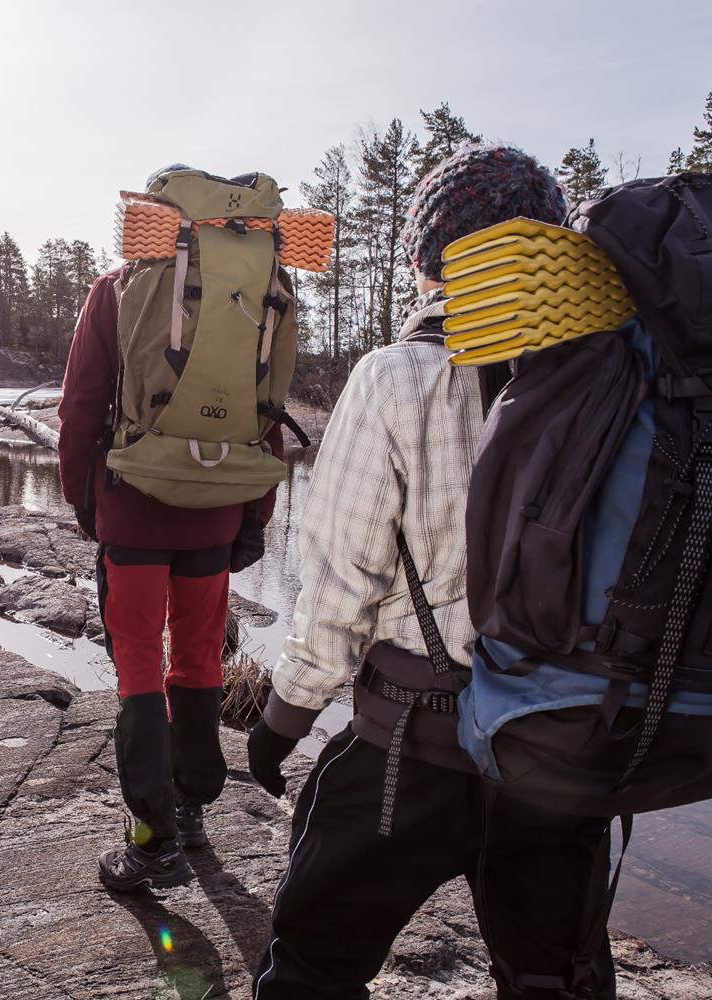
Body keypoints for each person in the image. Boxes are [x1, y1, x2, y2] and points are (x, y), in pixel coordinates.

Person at [245, 145, 618, 999]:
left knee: (311, 970)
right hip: (562, 753)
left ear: (424, 262)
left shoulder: (396, 377)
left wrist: (285, 715)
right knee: (553, 980)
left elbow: (342, 581)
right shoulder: (611, 376)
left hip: (411, 746)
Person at [59, 166, 286, 891]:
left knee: (138, 673)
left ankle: (152, 841)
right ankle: (193, 809)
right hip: (216, 512)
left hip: (132, 507)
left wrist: (85, 501)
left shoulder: (120, 286)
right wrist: (253, 513)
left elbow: (80, 408)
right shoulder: (261, 290)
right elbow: (266, 410)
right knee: (199, 663)